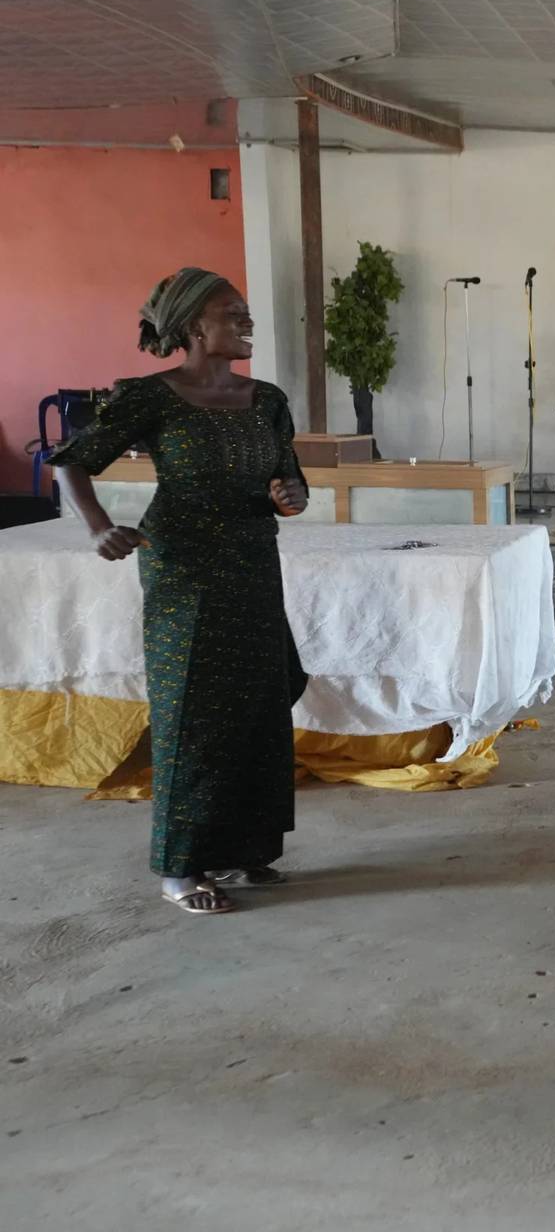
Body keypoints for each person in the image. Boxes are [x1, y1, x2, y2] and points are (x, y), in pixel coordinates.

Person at [50, 269, 310, 916]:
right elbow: (72, 459)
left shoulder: (269, 399)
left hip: (253, 561)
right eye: (234, 313)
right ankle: (180, 865)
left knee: (258, 701)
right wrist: (99, 527)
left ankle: (249, 847)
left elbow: (291, 483)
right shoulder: (151, 397)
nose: (247, 323)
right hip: (184, 570)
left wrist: (290, 497)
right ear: (195, 326)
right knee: (191, 710)